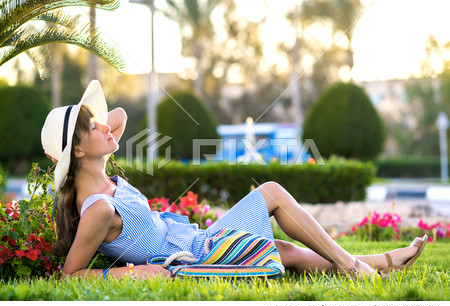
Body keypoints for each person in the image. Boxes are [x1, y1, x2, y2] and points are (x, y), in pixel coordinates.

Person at [41, 80, 428, 280]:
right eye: (94, 127)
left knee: (281, 249)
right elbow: (68, 277)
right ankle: (358, 266)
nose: (108, 126)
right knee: (272, 194)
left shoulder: (103, 178)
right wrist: (132, 272)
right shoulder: (98, 207)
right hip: (191, 257)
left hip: (196, 241)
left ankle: (377, 263)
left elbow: (119, 114)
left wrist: (77, 139)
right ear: (78, 152)